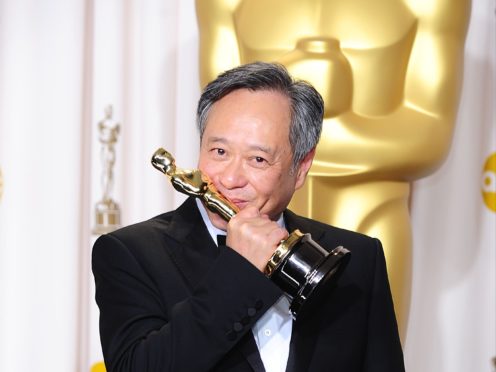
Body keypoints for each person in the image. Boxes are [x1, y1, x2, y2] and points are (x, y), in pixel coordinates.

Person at [92, 62, 404, 371]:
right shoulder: (131, 254)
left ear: (301, 168)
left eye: (258, 159)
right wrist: (239, 269)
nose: (229, 179)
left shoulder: (359, 259)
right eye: (219, 152)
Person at [196, 0, 471, 337]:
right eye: (221, 154)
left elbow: (429, 135)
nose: (232, 173)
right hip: (237, 222)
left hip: (372, 213)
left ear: (304, 164)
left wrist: (301, 130)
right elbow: (223, 118)